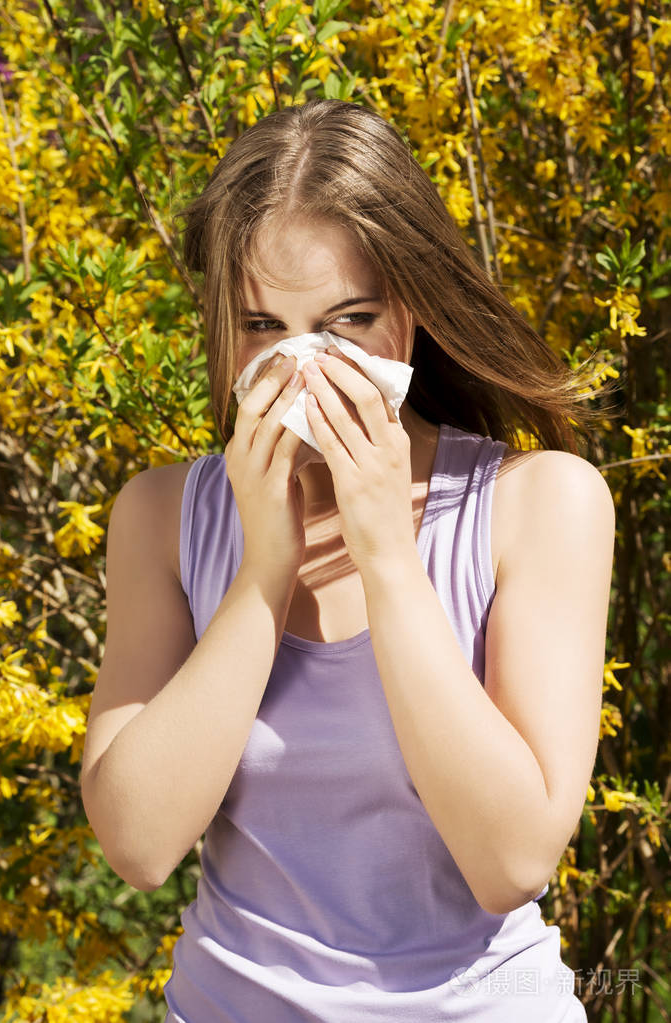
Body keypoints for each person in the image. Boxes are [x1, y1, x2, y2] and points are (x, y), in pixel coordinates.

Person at [80, 99, 617, 1021]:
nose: (303, 366)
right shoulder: (160, 516)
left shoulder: (541, 503)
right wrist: (260, 575)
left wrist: (388, 560)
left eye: (347, 321)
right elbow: (137, 842)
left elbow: (511, 860)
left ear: (407, 315)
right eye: (262, 326)